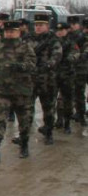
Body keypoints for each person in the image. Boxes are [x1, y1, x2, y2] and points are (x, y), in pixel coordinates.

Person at [0, 21, 36, 161]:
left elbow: (32, 65)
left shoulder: (25, 47)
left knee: (23, 120)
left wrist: (19, 66)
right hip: (2, 90)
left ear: (18, 32)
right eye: (7, 31)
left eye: (12, 31)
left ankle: (24, 145)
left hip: (21, 90)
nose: (9, 34)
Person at [27, 14, 61, 146]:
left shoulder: (53, 40)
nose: (38, 27)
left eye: (41, 25)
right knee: (27, 107)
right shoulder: (29, 38)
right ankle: (25, 135)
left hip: (47, 79)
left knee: (48, 108)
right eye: (36, 25)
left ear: (47, 26)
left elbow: (57, 55)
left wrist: (48, 64)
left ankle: (49, 133)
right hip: (31, 78)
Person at [54, 22, 79, 134]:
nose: (59, 32)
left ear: (66, 31)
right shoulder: (52, 42)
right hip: (54, 75)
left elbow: (76, 53)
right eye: (58, 30)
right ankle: (59, 120)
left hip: (67, 75)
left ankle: (67, 123)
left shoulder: (71, 42)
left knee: (67, 100)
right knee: (54, 100)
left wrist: (70, 58)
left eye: (62, 30)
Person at [68, 15, 87, 126]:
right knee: (76, 94)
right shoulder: (67, 37)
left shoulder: (82, 37)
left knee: (80, 93)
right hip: (72, 69)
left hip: (83, 68)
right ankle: (79, 114)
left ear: (78, 25)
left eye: (74, 24)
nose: (72, 26)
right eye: (70, 25)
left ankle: (81, 115)